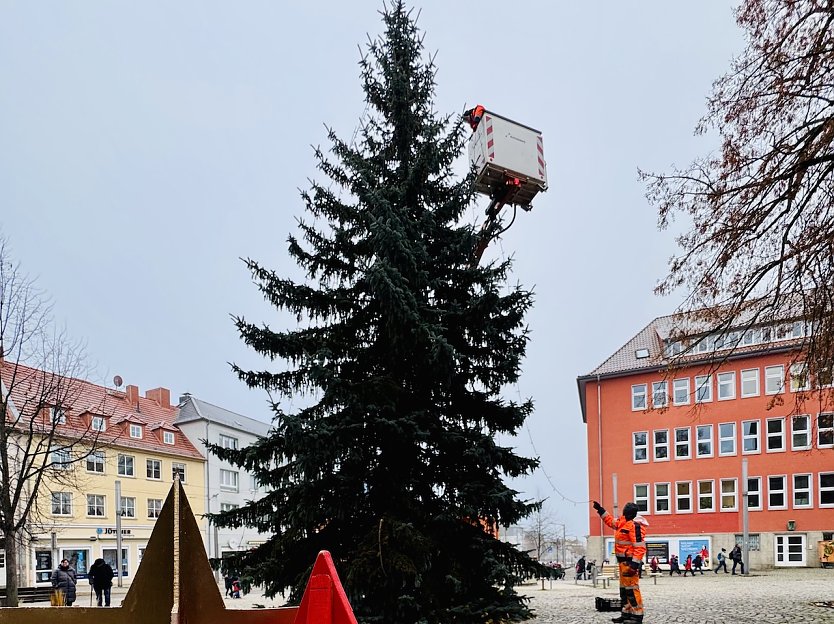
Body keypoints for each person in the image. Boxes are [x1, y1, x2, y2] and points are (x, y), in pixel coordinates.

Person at [593, 500, 646, 624]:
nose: (625, 511)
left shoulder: (635, 526)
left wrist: (634, 564)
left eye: (627, 510)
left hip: (629, 563)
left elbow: (640, 547)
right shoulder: (622, 523)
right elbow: (610, 520)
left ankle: (637, 616)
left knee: (632, 589)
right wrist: (600, 510)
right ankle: (626, 613)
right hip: (623, 563)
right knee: (624, 590)